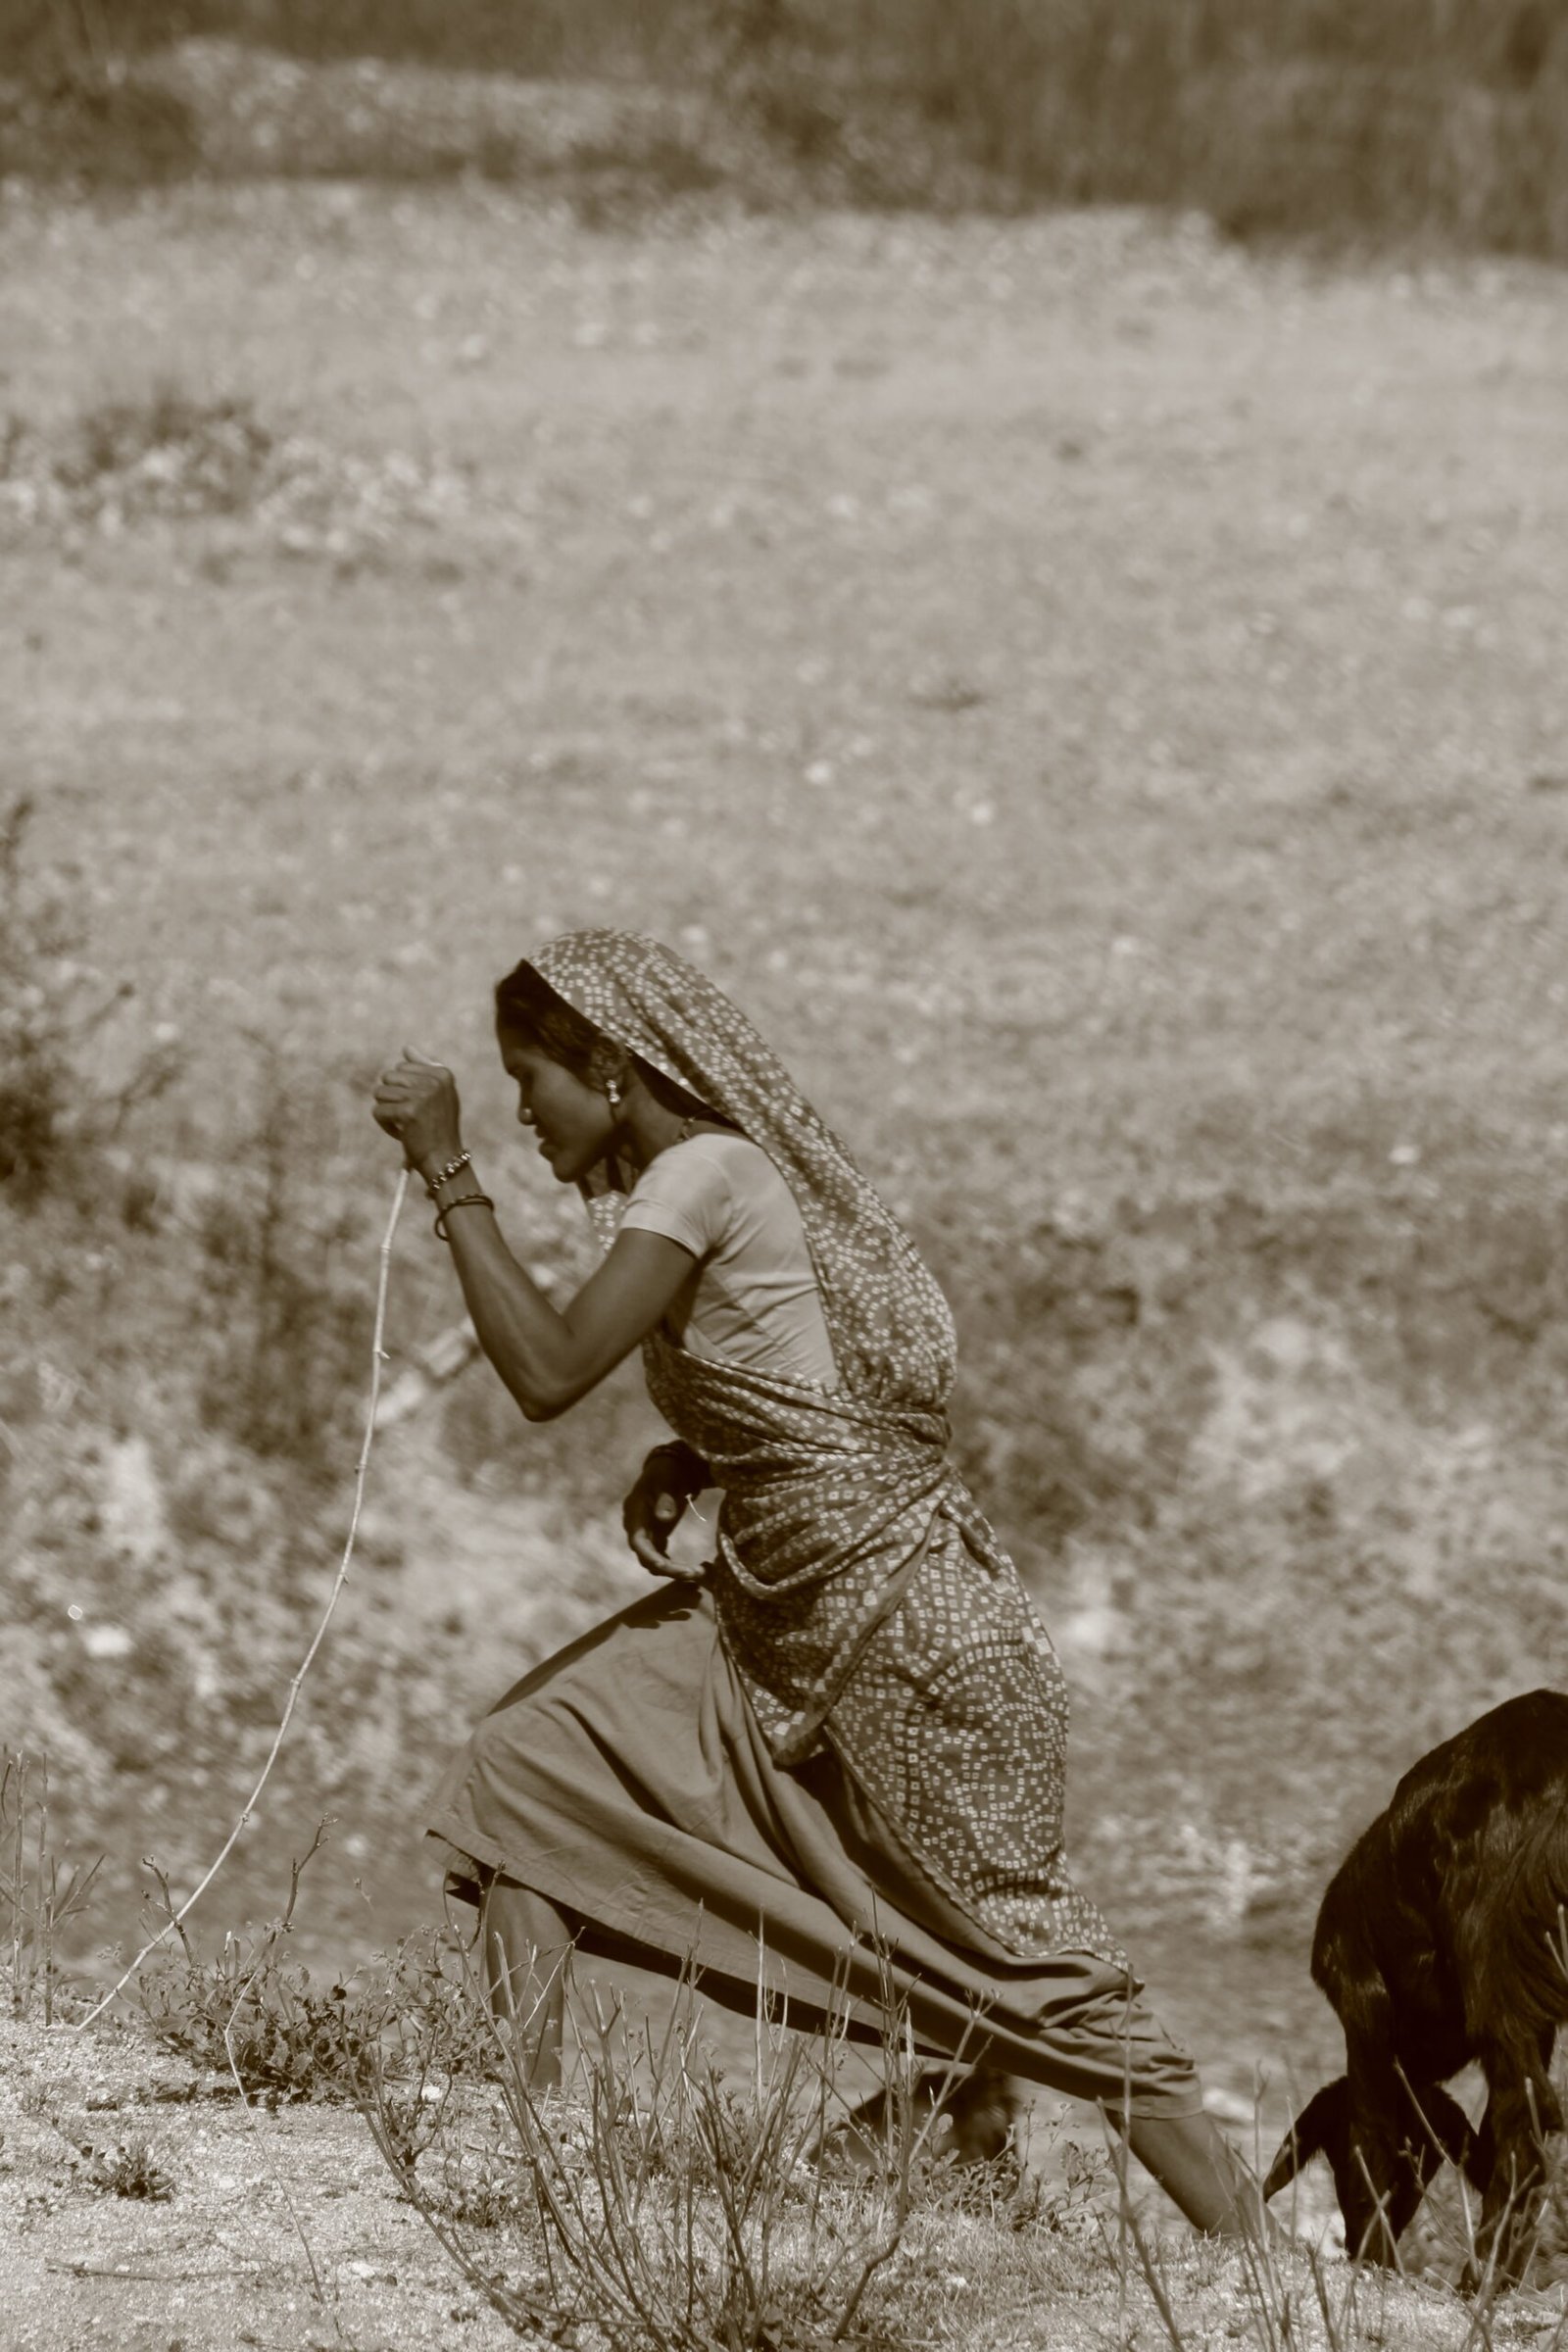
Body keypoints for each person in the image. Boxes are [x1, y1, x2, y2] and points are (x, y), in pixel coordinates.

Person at [372, 928, 1260, 2236]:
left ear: (608, 1065)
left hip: (898, 1630)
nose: (521, 1115)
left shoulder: (700, 1173)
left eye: (528, 1082)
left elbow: (549, 1373)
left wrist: (447, 1166)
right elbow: (810, 1384)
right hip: (789, 1605)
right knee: (530, 1768)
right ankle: (525, 2161)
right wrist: (697, 1454)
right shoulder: (714, 1176)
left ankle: (1262, 2268)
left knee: (1033, 1969)